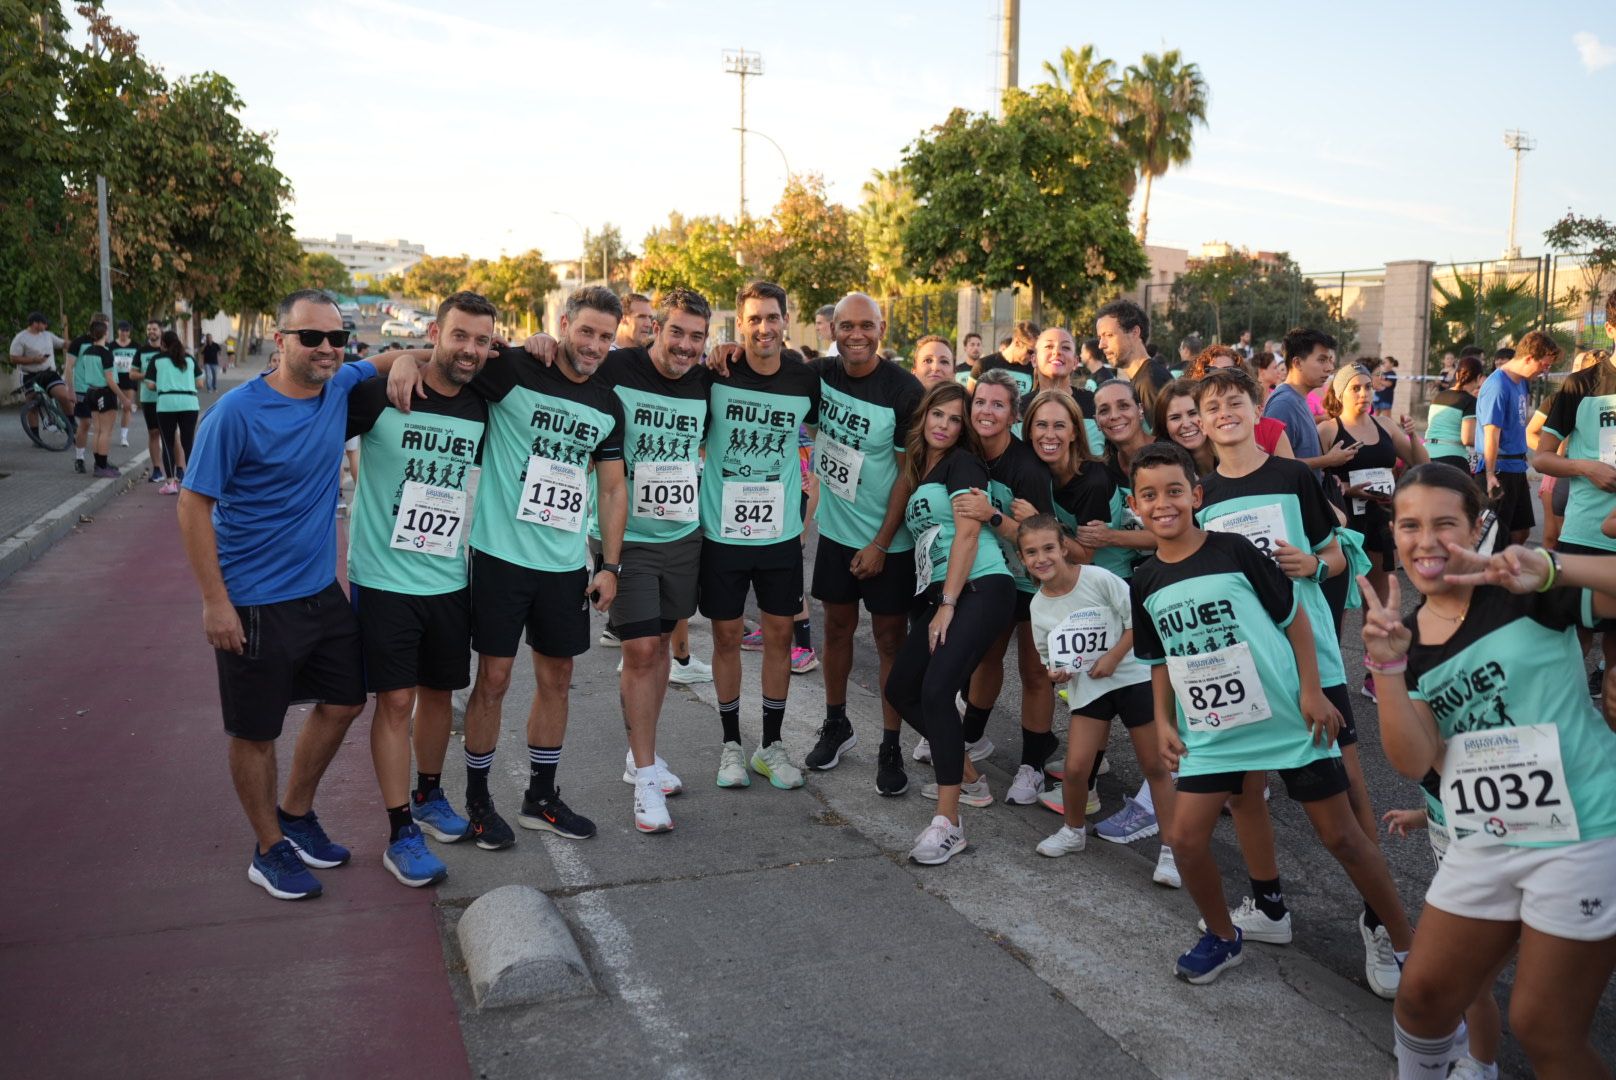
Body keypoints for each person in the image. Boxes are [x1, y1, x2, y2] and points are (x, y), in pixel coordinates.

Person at [1361, 464, 1616, 1079]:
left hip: (1582, 831)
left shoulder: (1521, 587)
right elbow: (1415, 759)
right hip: (1487, 837)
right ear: (1394, 535)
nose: (1426, 541)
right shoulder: (1407, 638)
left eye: (1445, 524)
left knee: (1544, 1026)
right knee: (1422, 999)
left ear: (1477, 527)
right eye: (1410, 526)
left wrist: (1552, 566)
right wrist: (1387, 668)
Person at [1129, 442, 1412, 987]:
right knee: (1184, 840)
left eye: (1174, 491)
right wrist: (1164, 722)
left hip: (1287, 717)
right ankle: (1223, 936)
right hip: (1215, 731)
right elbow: (1159, 659)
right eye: (1149, 495)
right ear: (1135, 505)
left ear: (1196, 495)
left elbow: (1294, 618)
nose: (1163, 504)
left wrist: (1312, 690)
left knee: (1342, 836)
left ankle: (1404, 941)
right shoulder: (1144, 580)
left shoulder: (1233, 550)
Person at [177, 288, 409, 901]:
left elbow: (383, 360)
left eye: (337, 337)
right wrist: (214, 601)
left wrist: (407, 359)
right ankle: (268, 847)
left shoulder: (338, 386)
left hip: (318, 592)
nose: (327, 348)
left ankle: (296, 814)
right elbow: (193, 505)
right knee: (256, 732)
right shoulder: (235, 414)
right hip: (252, 600)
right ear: (280, 341)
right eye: (311, 337)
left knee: (346, 701)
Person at [1196, 366, 1411, 996]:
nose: (1224, 413)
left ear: (1254, 409)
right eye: (1212, 406)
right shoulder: (1202, 493)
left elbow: (1338, 553)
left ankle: (1381, 923)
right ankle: (1268, 908)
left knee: (1349, 796)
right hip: (1242, 662)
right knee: (1245, 791)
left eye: (1235, 402)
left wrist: (1312, 563)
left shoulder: (1293, 476)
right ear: (1201, 422)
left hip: (1309, 658)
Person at [400, 286, 627, 847]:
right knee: (494, 680)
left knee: (558, 678)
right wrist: (405, 358)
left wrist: (610, 565)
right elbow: (452, 360)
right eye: (586, 331)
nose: (594, 345)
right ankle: (479, 802)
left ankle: (540, 798)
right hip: (500, 558)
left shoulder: (608, 403)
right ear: (564, 324)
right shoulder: (516, 369)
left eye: (605, 336)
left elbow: (612, 488)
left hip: (564, 567)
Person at [346, 291, 494, 885]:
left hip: (449, 578)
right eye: (459, 335)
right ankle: (399, 830)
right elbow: (323, 408)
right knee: (395, 702)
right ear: (435, 333)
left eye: (481, 340)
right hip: (383, 579)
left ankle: (429, 795)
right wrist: (399, 358)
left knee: (439, 694)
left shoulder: (484, 404)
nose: (470, 349)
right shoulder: (382, 393)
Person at [788, 293, 922, 796]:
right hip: (836, 534)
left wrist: (882, 543)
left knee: (889, 641)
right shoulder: (819, 375)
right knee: (836, 630)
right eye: (847, 326)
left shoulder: (903, 389)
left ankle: (891, 743)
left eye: (866, 325)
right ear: (832, 330)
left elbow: (908, 474)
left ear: (881, 329)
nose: (856, 335)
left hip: (889, 541)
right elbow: (766, 371)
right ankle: (836, 724)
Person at [593, 287, 715, 830]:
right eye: (676, 332)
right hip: (626, 535)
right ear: (654, 329)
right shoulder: (617, 368)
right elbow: (560, 365)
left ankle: (640, 753)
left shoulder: (708, 380)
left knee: (662, 644)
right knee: (640, 649)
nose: (685, 345)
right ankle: (645, 779)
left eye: (697, 337)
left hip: (683, 535)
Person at [885, 381, 1016, 864]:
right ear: (924, 416)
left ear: (963, 429)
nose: (944, 425)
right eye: (937, 414)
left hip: (979, 587)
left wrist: (947, 602)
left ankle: (949, 823)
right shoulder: (923, 469)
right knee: (901, 689)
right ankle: (968, 775)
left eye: (955, 419)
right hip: (947, 593)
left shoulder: (963, 464)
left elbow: (967, 536)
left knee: (937, 691)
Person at [699, 281, 821, 791]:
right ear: (740, 323)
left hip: (779, 536)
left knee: (779, 638)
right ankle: (731, 745)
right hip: (722, 534)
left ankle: (771, 746)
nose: (764, 328)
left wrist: (812, 501)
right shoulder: (717, 374)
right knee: (727, 638)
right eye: (754, 319)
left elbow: (824, 438)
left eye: (772, 317)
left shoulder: (804, 379)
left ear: (785, 321)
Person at [1022, 513, 1169, 865]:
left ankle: (1174, 848)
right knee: (1075, 769)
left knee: (1154, 766)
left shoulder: (1098, 578)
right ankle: (1073, 831)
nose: (1041, 558)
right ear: (1021, 559)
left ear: (1064, 548)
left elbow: (1139, 622)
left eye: (1048, 548)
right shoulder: (1037, 606)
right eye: (1031, 552)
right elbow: (1049, 657)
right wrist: (1056, 673)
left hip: (1131, 676)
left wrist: (1114, 657)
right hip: (1089, 685)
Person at [952, 370, 1057, 805]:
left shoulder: (1026, 468)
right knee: (986, 657)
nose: (986, 411)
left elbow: (1042, 543)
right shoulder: (967, 453)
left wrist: (993, 516)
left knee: (1034, 672)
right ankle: (970, 738)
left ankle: (1033, 766)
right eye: (980, 402)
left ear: (1014, 416)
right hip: (995, 576)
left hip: (1034, 579)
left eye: (998, 404)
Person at [1382, 800, 1507, 1080]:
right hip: (1457, 888)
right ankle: (1444, 1039)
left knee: (1476, 987)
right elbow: (1445, 803)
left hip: (1491, 889)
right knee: (1445, 980)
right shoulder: (1444, 783)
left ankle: (1481, 1063)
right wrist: (1420, 816)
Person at [1532, 305, 1616, 703]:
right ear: (1611, 328)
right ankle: (1557, 726)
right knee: (1571, 643)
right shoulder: (1581, 385)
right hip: (1586, 536)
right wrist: (1586, 467)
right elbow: (1542, 458)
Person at [1319, 363, 1427, 627]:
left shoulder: (1385, 424)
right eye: (1355, 388)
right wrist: (1347, 489)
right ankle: (1334, 655)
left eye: (1367, 387)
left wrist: (1412, 435)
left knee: (1380, 602)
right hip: (1344, 522)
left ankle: (1377, 655)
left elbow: (1422, 463)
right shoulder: (1328, 430)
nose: (1364, 394)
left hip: (1380, 518)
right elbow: (1312, 481)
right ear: (1340, 393)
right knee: (1339, 602)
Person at [1476, 330, 1562, 552]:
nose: (1545, 370)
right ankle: (1492, 571)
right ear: (1529, 358)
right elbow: (1491, 434)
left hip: (1516, 466)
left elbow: (1518, 423)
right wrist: (1490, 474)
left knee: (1521, 531)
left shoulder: (1522, 382)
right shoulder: (1497, 385)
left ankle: (1506, 568)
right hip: (1500, 469)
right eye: (1544, 364)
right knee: (1494, 535)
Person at [1188, 345, 1294, 457]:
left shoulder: (1270, 430)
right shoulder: (1196, 438)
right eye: (1212, 372)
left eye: (1229, 371)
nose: (1221, 378)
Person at [1025, 326, 1101, 456]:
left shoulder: (1096, 404)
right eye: (1049, 346)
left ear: (1075, 362)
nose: (1057, 352)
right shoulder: (1018, 409)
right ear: (1034, 360)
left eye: (1065, 347)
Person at [65, 318, 124, 477]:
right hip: (101, 391)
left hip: (91, 391)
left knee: (98, 430)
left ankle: (100, 463)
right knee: (104, 431)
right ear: (104, 332)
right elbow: (109, 379)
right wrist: (123, 397)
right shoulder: (102, 351)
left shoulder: (90, 351)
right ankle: (98, 465)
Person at [147, 331, 204, 495]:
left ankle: (171, 483)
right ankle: (193, 482)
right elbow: (200, 383)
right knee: (188, 443)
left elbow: (150, 385)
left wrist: (165, 383)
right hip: (189, 403)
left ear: (163, 344)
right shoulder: (189, 359)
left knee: (168, 443)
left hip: (166, 404)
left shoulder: (157, 360)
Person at [1094, 298, 1170, 417]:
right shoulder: (1143, 379)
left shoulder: (1150, 382)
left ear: (1134, 332)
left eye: (1109, 335)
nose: (1101, 345)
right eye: (1100, 338)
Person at [9, 311, 74, 426]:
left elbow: (63, 343)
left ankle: (72, 424)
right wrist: (34, 360)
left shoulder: (47, 335)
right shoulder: (20, 338)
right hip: (30, 375)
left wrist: (79, 344)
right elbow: (13, 358)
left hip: (49, 373)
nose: (46, 325)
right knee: (32, 404)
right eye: (44, 323)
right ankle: (34, 433)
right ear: (35, 324)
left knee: (64, 396)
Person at [1425, 354, 1484, 470]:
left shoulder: (1438, 396)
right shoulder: (1470, 401)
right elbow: (1467, 438)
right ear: (1479, 377)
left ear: (1456, 374)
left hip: (1427, 454)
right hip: (1452, 458)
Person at [130, 319, 171, 483]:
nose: (151, 332)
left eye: (154, 329)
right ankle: (157, 469)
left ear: (161, 331)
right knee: (153, 433)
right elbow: (132, 374)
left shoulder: (168, 350)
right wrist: (149, 375)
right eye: (149, 329)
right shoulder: (141, 351)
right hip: (148, 399)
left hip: (167, 397)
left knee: (171, 435)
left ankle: (179, 469)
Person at [1153, 378, 1215, 476]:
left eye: (1193, 413)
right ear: (1164, 425)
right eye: (1175, 417)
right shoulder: (1162, 470)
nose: (1186, 424)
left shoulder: (1235, 450)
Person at [967, 319, 1039, 398]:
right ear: (1017, 342)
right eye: (1030, 352)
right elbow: (969, 400)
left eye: (1036, 353)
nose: (1033, 357)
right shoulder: (983, 365)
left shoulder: (1033, 369)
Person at [110, 321, 139, 446]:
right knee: (112, 407)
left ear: (129, 332)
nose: (124, 333)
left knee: (127, 406)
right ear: (118, 331)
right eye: (122, 330)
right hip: (114, 378)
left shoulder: (135, 345)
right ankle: (107, 433)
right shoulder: (112, 345)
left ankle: (124, 437)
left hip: (129, 378)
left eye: (127, 330)